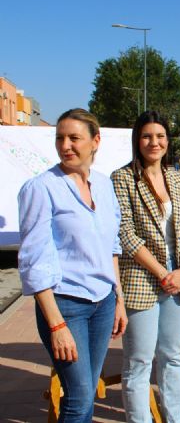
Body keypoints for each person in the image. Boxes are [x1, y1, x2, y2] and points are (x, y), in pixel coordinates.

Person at [18, 108, 127, 421]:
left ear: (95, 141)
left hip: (103, 303)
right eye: (60, 138)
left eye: (74, 138)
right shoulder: (41, 188)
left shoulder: (105, 187)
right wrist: (56, 325)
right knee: (78, 397)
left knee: (87, 390)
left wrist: (117, 299)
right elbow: (33, 260)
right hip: (65, 306)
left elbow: (112, 248)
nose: (65, 145)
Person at [111, 110, 180, 422]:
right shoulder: (122, 178)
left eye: (160, 136)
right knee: (139, 362)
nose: (154, 142)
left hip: (178, 280)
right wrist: (162, 273)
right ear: (137, 140)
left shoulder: (176, 178)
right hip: (142, 280)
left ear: (168, 141)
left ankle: (175, 418)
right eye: (147, 136)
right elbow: (125, 234)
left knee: (172, 357)